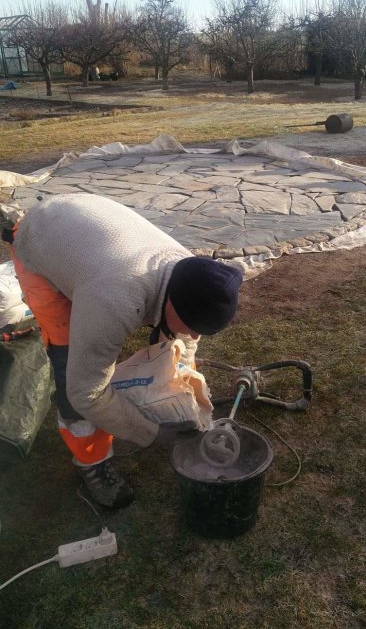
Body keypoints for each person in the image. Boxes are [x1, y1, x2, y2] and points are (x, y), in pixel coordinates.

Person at [3, 193, 243, 510]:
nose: (195, 334)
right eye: (193, 324)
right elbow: (85, 393)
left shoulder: (193, 273)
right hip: (41, 241)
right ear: (172, 303)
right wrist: (150, 432)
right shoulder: (116, 300)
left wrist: (180, 386)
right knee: (69, 365)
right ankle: (92, 463)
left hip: (88, 234)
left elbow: (185, 340)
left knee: (166, 337)